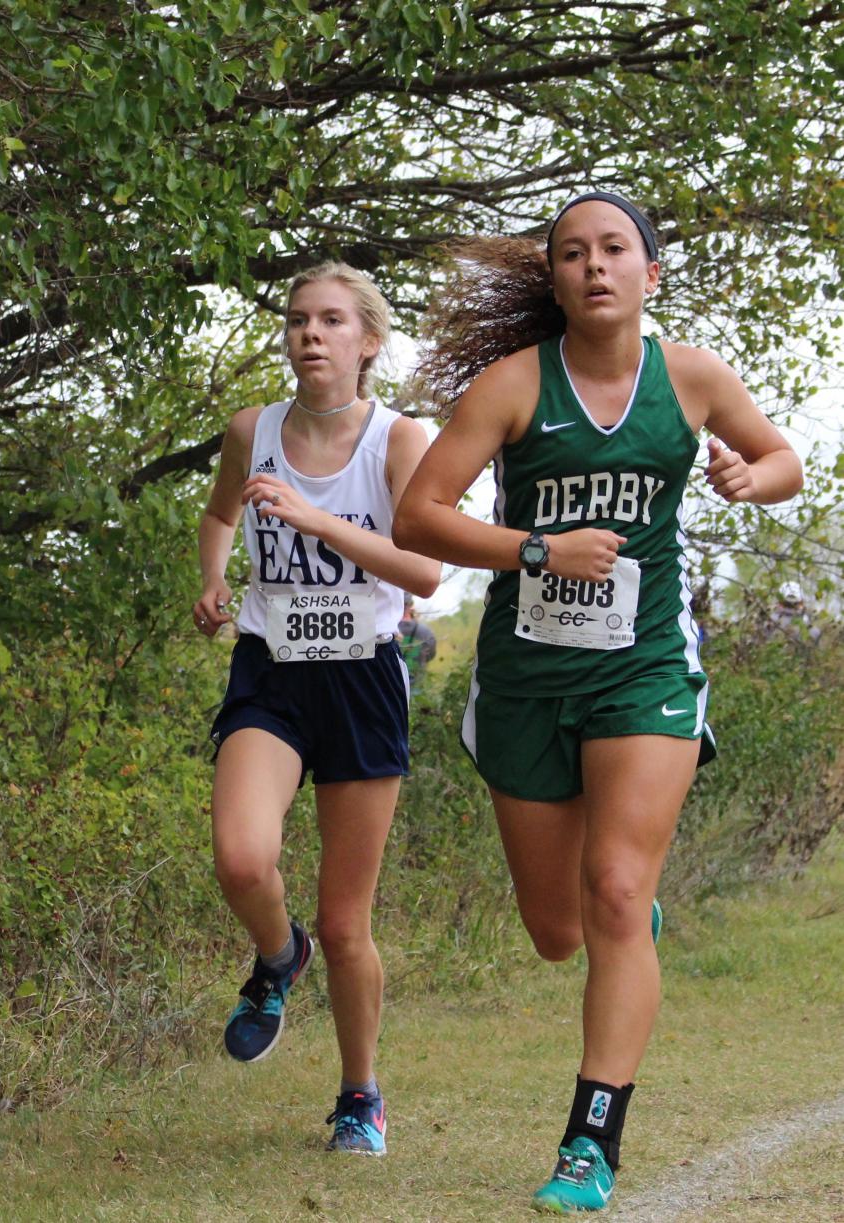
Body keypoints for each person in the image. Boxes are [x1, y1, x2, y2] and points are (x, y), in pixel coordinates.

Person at [393, 191, 803, 1212]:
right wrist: (539, 546)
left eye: (614, 248)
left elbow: (782, 457)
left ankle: (589, 1140)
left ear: (648, 275)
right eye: (571, 253)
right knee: (555, 928)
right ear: (556, 279)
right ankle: (623, 913)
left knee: (615, 889)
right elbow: (418, 515)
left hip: (645, 664)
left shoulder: (694, 376)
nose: (593, 265)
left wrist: (753, 478)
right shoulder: (512, 385)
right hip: (529, 676)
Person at [193, 261, 441, 1154]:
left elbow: (423, 572)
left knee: (347, 925)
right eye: (298, 318)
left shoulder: (399, 439)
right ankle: (273, 955)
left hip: (362, 675)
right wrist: (216, 578)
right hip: (271, 667)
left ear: (366, 341)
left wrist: (312, 519)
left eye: (331, 320)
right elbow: (221, 514)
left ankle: (359, 1094)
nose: (309, 333)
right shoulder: (250, 430)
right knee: (240, 855)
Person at [397, 595, 438, 696]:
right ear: (411, 606)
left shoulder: (385, 632)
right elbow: (430, 656)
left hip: (392, 688)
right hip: (417, 689)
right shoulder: (426, 633)